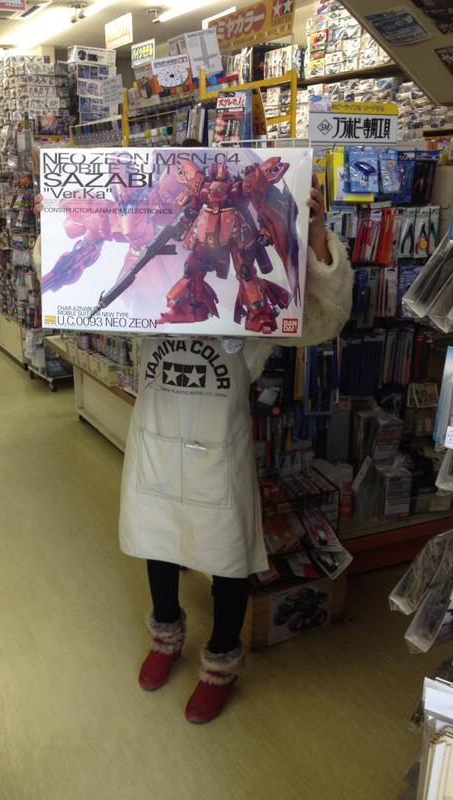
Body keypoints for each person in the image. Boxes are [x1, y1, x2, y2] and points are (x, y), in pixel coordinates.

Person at [33, 167, 352, 725]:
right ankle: (165, 634)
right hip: (156, 435)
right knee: (157, 540)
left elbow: (322, 322)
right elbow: (78, 292)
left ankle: (221, 658)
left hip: (219, 439)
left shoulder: (252, 271)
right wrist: (56, 227)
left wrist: (317, 237)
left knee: (227, 553)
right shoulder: (148, 264)